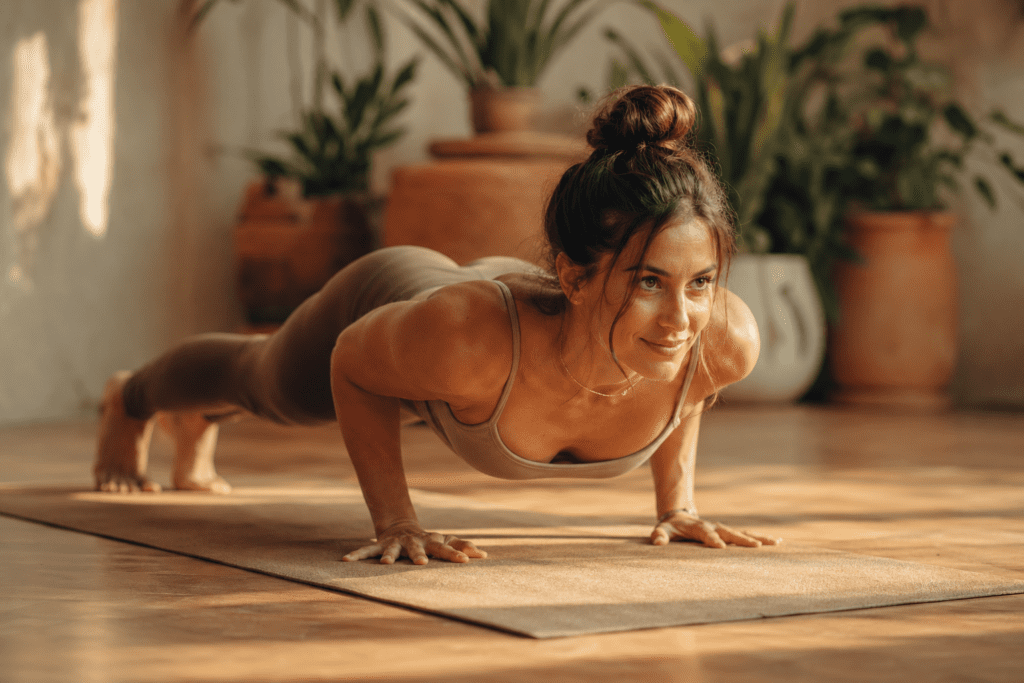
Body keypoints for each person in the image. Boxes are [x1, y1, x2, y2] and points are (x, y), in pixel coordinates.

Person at [94, 84, 780, 565]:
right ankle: (132, 397)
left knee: (678, 332)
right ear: (574, 276)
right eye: (650, 282)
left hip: (488, 323)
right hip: (407, 292)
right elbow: (352, 363)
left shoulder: (720, 338)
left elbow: (683, 381)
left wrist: (678, 505)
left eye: (700, 283)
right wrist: (397, 519)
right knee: (262, 379)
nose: (681, 317)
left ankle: (197, 422)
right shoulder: (462, 341)